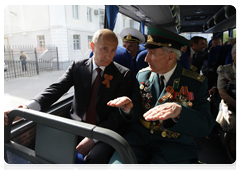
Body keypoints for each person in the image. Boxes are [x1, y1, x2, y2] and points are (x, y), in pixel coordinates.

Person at [4, 29, 132, 170]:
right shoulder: (77, 66)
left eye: (113, 50)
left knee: (95, 159)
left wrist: (94, 137)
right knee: (46, 149)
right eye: (104, 49)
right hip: (74, 125)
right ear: (92, 46)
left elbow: (117, 116)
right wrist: (26, 108)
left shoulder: (123, 75)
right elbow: (56, 89)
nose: (109, 56)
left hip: (104, 130)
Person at [106, 25, 215, 170]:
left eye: (152, 53)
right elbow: (138, 108)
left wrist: (180, 112)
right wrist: (129, 108)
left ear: (170, 57)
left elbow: (206, 126)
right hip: (138, 140)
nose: (145, 58)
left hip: (174, 145)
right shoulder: (142, 75)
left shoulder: (195, 83)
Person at [216, 43, 238, 154]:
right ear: (232, 55)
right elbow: (222, 92)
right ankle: (234, 140)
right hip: (230, 101)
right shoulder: (225, 70)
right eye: (236, 53)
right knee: (234, 116)